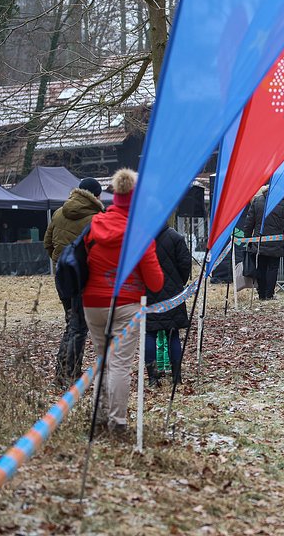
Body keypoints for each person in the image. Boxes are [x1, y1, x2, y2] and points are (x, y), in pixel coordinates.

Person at [82, 168, 164, 435]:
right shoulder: (139, 233)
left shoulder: (95, 224)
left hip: (92, 302)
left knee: (102, 360)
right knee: (119, 364)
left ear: (114, 197)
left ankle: (98, 417)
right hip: (126, 303)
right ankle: (116, 421)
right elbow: (155, 282)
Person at [44, 177, 105, 386]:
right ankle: (69, 373)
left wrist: (59, 263)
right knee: (78, 327)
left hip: (62, 277)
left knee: (71, 323)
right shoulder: (96, 218)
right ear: (96, 196)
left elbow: (47, 243)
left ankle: (62, 371)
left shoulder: (59, 213)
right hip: (82, 279)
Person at [144, 225, 192, 387]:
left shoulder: (142, 237)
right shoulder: (176, 237)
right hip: (173, 293)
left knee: (149, 333)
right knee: (173, 334)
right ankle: (176, 377)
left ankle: (152, 378)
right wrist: (179, 283)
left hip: (148, 292)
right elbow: (185, 264)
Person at [242, 185, 284, 300]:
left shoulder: (257, 201)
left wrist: (247, 238)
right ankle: (269, 294)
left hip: (259, 241)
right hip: (275, 243)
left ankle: (261, 294)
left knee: (261, 267)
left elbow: (249, 222)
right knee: (272, 268)